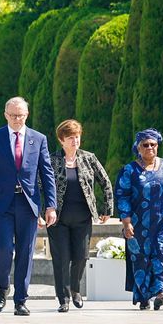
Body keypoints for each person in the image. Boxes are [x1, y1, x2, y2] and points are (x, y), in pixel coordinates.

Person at [0, 96, 57, 316]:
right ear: (5, 115)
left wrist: (51, 205)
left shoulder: (38, 139)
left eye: (21, 115)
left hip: (28, 203)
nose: (17, 119)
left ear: (27, 115)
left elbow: (46, 173)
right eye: (13, 115)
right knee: (4, 248)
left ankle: (21, 300)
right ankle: (3, 286)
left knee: (25, 252)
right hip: (2, 203)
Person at [116, 128, 163, 310]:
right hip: (138, 224)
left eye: (153, 145)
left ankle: (161, 292)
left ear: (157, 146)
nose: (150, 147)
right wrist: (126, 222)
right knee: (141, 259)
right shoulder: (129, 170)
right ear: (138, 148)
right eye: (145, 145)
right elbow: (122, 195)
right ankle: (144, 297)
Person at [48, 119, 111, 312]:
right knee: (61, 259)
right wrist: (43, 210)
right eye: (70, 138)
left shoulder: (88, 158)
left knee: (81, 256)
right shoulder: (52, 160)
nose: (75, 141)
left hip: (82, 217)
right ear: (61, 140)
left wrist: (107, 208)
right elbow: (40, 186)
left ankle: (75, 289)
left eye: (77, 137)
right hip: (58, 219)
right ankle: (63, 298)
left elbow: (105, 181)